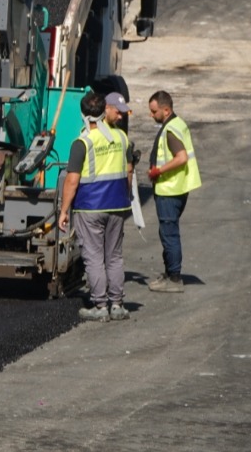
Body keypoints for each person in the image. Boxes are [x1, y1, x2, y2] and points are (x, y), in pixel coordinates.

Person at [58, 90, 134, 322]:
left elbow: (72, 180)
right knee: (114, 256)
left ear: (83, 114)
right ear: (104, 112)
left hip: (90, 207)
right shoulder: (122, 138)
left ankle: (100, 306)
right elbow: (129, 171)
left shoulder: (82, 143)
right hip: (117, 205)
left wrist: (63, 210)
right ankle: (117, 304)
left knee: (93, 257)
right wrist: (126, 196)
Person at [146, 90, 201, 292]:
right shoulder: (176, 124)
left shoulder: (171, 130)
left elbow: (181, 158)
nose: (151, 115)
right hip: (174, 188)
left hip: (170, 189)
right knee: (167, 232)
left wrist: (158, 171)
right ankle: (170, 272)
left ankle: (175, 279)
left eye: (154, 111)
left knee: (169, 234)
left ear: (166, 110)